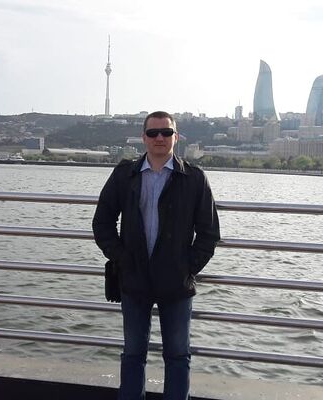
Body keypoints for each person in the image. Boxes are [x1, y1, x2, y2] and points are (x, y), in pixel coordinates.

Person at [92, 111, 220, 400]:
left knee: (178, 355)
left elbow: (209, 233)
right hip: (133, 279)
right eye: (153, 133)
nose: (159, 138)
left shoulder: (195, 178)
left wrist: (186, 267)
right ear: (143, 138)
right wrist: (122, 259)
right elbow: (102, 222)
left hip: (176, 282)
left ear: (176, 136)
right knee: (133, 354)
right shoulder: (124, 175)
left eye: (166, 132)